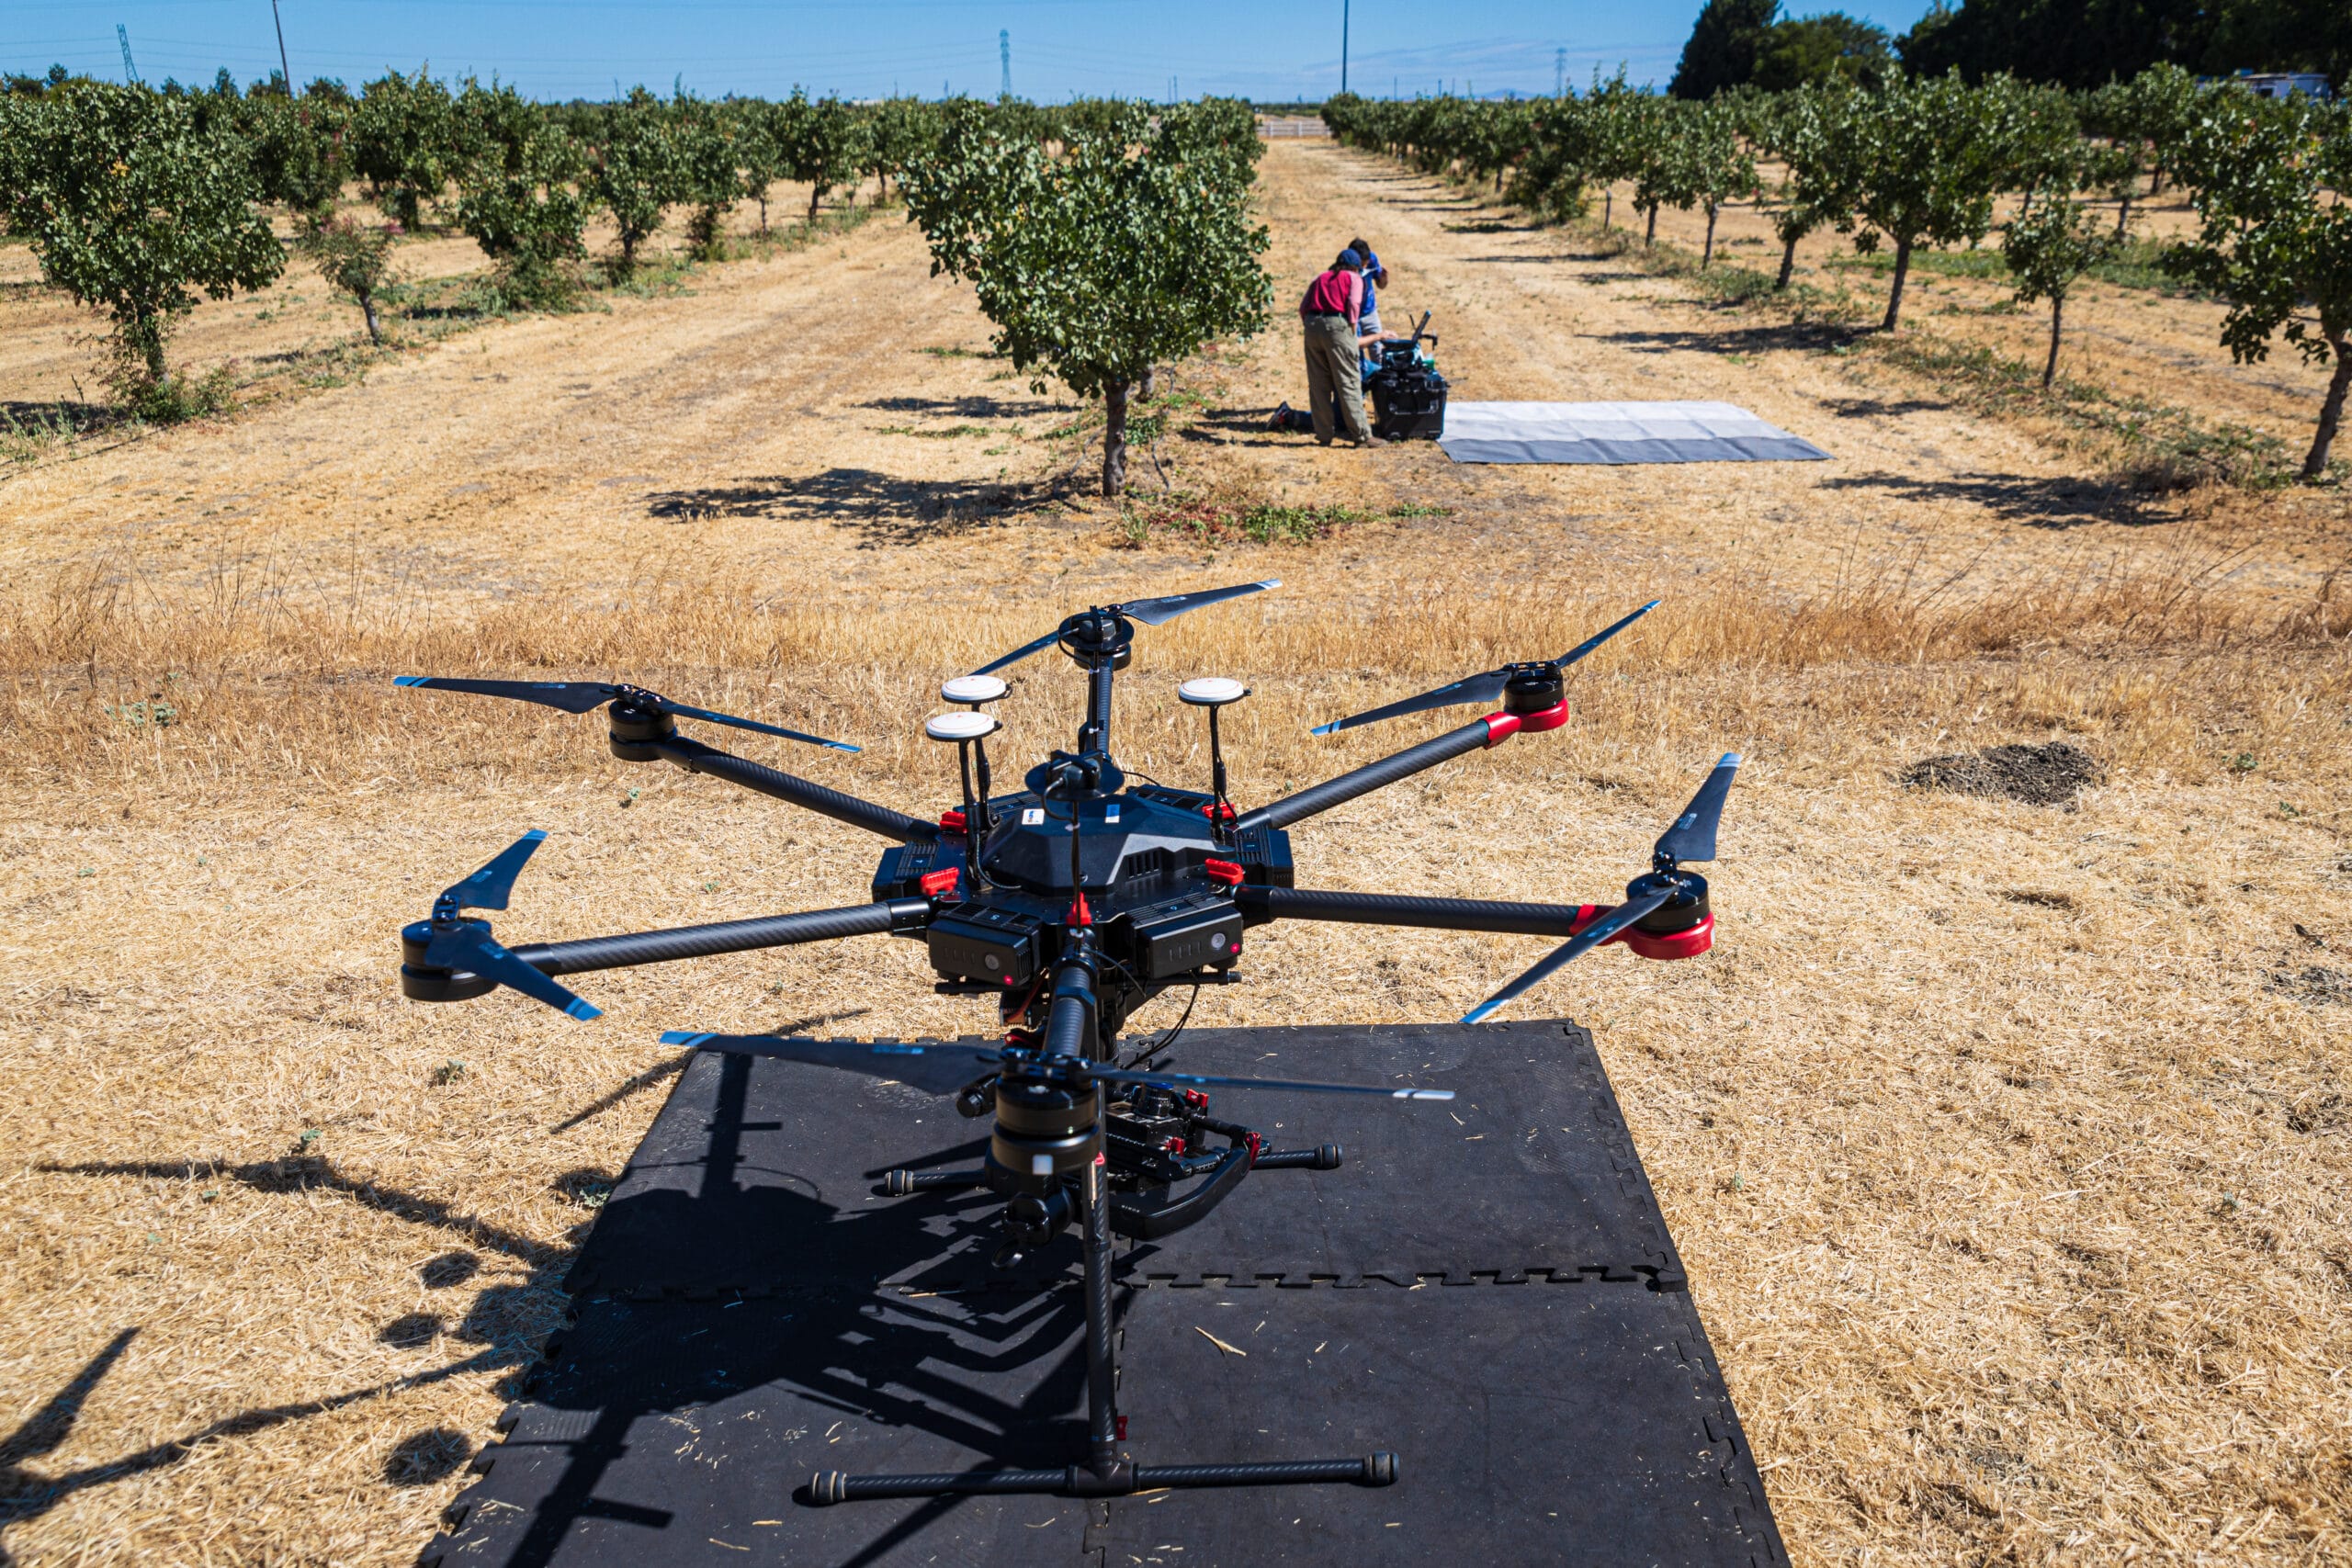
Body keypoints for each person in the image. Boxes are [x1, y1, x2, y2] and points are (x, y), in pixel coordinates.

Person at [1296, 249, 1382, 448]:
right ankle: (1361, 436)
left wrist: (1312, 326)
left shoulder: (1321, 277)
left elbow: (1303, 307)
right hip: (1337, 325)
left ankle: (1324, 435)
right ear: (1355, 267)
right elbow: (1353, 303)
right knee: (1348, 381)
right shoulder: (1353, 277)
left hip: (1312, 325)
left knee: (1319, 384)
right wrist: (1351, 327)